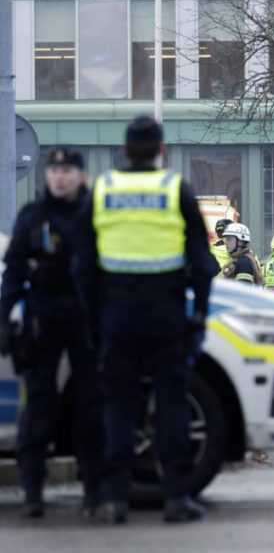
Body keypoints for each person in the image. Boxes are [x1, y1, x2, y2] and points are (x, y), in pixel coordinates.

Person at [76, 116, 218, 523]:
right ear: (160, 150)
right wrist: (200, 314)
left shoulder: (103, 189)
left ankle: (115, 498)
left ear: (124, 149)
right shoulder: (175, 190)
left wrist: (93, 318)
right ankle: (175, 497)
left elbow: (83, 264)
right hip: (166, 313)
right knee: (171, 404)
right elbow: (202, 264)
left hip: (116, 315)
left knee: (118, 405)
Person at [0, 148, 104, 519]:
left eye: (67, 170)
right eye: (55, 170)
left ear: (80, 175)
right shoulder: (33, 216)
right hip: (42, 321)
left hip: (85, 320)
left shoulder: (95, 214)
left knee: (90, 408)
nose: (60, 177)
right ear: (47, 176)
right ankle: (33, 492)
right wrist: (2, 320)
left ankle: (93, 492)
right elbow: (13, 272)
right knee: (38, 408)